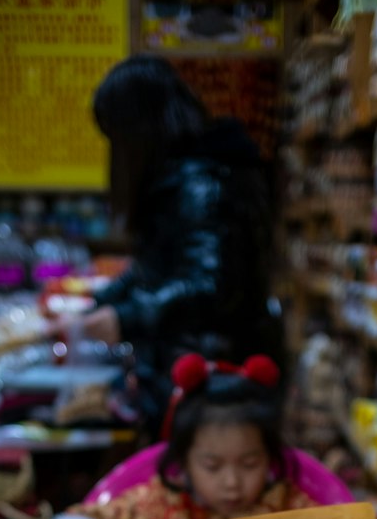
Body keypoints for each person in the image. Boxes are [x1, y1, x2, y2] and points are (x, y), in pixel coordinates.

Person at [73, 55, 276, 433]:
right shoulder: (182, 176)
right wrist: (104, 303)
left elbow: (211, 286)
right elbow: (157, 268)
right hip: (184, 370)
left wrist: (127, 316)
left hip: (209, 378)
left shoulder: (204, 182)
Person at [53, 354, 316, 519]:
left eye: (249, 464)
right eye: (212, 466)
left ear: (269, 457)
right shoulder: (157, 507)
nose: (232, 483)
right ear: (184, 461)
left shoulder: (288, 508)